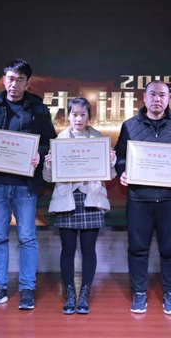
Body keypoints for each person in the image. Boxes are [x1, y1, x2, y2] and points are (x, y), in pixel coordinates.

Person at [0, 59, 57, 310]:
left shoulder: (38, 109)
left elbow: (49, 142)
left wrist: (40, 154)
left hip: (25, 184)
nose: (14, 84)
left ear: (28, 83)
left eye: (20, 80)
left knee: (27, 237)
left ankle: (27, 288)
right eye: (10, 78)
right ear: (3, 80)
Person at [114, 80, 171, 315]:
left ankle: (170, 293)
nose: (157, 99)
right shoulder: (130, 125)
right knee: (138, 248)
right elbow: (121, 156)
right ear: (144, 97)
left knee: (170, 249)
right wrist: (123, 171)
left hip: (170, 199)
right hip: (139, 198)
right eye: (153, 94)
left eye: (162, 95)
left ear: (169, 98)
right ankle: (139, 292)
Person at [43, 97, 116, 315]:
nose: (78, 118)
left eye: (83, 114)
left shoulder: (99, 139)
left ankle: (84, 293)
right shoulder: (60, 140)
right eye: (74, 114)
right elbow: (48, 178)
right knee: (67, 250)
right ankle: (69, 294)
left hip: (91, 199)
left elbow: (110, 175)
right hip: (66, 199)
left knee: (88, 250)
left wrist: (110, 160)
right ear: (68, 116)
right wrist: (48, 164)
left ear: (88, 116)